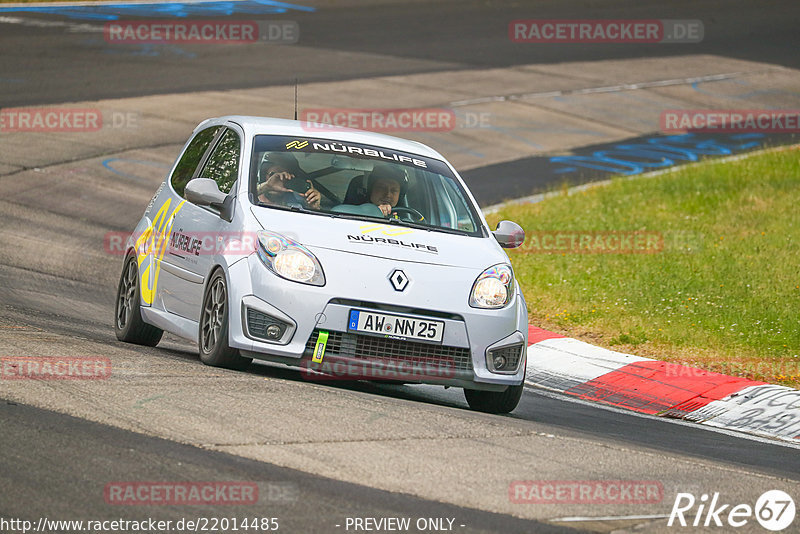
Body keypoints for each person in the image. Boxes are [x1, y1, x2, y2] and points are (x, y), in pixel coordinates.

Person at [256, 152, 321, 210]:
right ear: (263, 176)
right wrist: (266, 186)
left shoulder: (297, 205)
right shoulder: (250, 199)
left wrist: (314, 208)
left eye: (285, 176)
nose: (280, 179)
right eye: (273, 175)